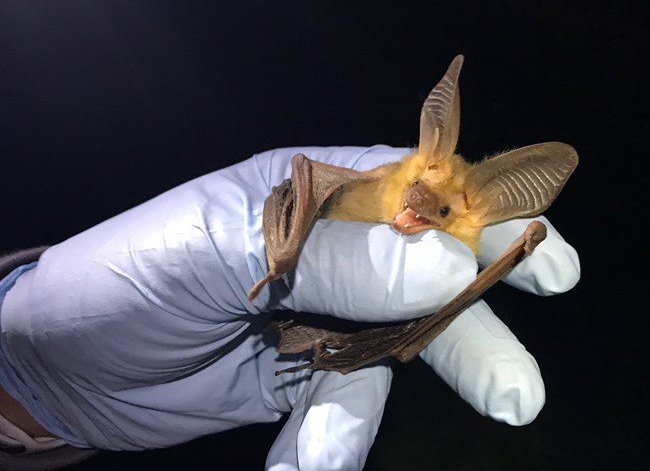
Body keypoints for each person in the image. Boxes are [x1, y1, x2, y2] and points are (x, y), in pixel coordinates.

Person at [0, 145, 579, 470]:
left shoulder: (459, 235)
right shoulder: (384, 185)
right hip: (296, 240)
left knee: (413, 307)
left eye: (433, 214)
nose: (412, 215)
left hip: (322, 321)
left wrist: (55, 422)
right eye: (412, 202)